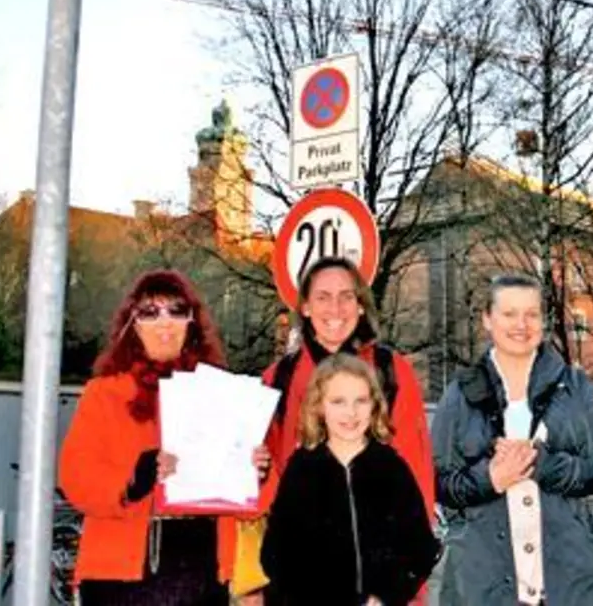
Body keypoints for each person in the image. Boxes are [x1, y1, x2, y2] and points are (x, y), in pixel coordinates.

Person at [58, 268, 268, 606]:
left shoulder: (223, 394)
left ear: (192, 322)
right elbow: (75, 477)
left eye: (177, 310)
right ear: (133, 324)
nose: (165, 322)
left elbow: (254, 503)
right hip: (121, 575)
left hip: (202, 568)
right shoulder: (104, 393)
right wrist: (132, 480)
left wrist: (259, 471)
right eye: (150, 312)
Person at [257, 256, 435, 602]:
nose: (335, 307)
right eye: (323, 297)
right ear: (305, 307)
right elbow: (266, 500)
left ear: (361, 305)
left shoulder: (391, 371)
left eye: (347, 296)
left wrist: (402, 590)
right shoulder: (277, 378)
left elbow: (418, 483)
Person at [433, 273, 593, 605]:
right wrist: (489, 479)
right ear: (488, 319)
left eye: (532, 314)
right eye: (509, 313)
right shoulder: (459, 393)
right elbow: (438, 483)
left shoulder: (575, 386)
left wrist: (542, 464)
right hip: (483, 582)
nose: (522, 324)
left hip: (569, 580)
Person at [260, 354, 441, 605]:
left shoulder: (391, 468)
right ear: (319, 406)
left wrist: (388, 594)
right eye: (338, 402)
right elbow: (276, 556)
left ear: (375, 405)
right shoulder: (301, 470)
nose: (351, 413)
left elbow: (421, 548)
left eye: (361, 401)